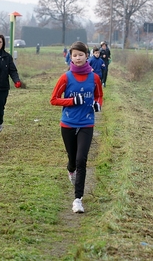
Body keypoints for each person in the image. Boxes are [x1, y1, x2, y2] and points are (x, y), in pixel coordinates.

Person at [50, 41, 103, 213]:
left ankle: (77, 200)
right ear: (70, 57)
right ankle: (70, 169)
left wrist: (97, 105)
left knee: (82, 160)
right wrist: (72, 101)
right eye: (75, 55)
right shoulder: (66, 77)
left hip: (87, 123)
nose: (78, 58)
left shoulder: (94, 78)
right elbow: (54, 99)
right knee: (73, 160)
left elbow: (99, 96)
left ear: (87, 56)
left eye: (81, 55)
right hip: (68, 123)